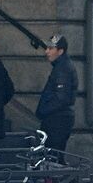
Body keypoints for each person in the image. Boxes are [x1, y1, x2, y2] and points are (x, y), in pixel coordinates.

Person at [36, 34, 77, 163]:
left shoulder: (63, 69)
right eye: (46, 48)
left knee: (53, 159)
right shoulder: (61, 67)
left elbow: (61, 98)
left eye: (50, 48)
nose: (46, 51)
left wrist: (43, 111)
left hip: (57, 119)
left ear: (60, 51)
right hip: (58, 118)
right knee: (54, 159)